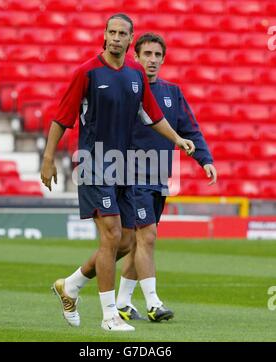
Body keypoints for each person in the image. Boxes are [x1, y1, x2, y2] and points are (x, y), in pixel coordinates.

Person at [40, 15, 195, 332]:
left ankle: (70, 285)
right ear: (104, 35)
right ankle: (110, 315)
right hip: (95, 162)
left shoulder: (136, 73)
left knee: (125, 242)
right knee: (111, 236)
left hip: (126, 166)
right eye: (111, 32)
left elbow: (152, 115)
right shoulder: (87, 72)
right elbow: (62, 118)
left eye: (122, 33)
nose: (115, 38)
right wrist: (48, 157)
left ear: (130, 39)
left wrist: (177, 139)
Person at [115, 33, 217, 322]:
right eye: (147, 54)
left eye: (157, 55)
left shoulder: (172, 93)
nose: (152, 60)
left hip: (160, 176)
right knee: (148, 237)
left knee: (137, 244)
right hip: (131, 175)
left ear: (163, 59)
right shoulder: (126, 91)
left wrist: (205, 160)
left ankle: (122, 302)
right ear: (136, 56)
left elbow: (190, 129)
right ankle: (153, 303)